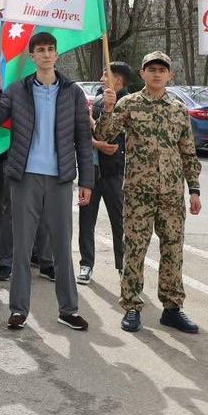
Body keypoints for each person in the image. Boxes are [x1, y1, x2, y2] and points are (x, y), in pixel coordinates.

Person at [0, 32, 93, 332]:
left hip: (60, 178)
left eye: (50, 49)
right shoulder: (17, 90)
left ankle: (68, 309)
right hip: (25, 177)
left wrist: (86, 180)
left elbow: (83, 139)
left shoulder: (73, 92)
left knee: (61, 246)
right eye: (40, 50)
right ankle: (18, 310)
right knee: (22, 246)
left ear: (56, 55)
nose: (46, 54)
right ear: (32, 56)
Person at [97, 51, 202, 334]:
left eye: (161, 70)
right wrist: (107, 108)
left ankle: (172, 308)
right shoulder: (129, 104)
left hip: (171, 193)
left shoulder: (178, 109)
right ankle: (132, 306)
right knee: (135, 249)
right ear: (142, 74)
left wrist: (194, 189)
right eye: (151, 69)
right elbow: (104, 135)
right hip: (138, 192)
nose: (157, 74)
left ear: (170, 75)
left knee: (173, 249)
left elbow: (188, 152)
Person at [78, 61, 130, 285]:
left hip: (115, 172)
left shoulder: (130, 103)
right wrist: (96, 143)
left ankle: (123, 266)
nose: (101, 79)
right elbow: (86, 134)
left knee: (120, 222)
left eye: (105, 75)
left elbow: (122, 138)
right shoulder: (98, 101)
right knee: (86, 220)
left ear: (117, 80)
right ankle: (86, 264)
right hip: (91, 171)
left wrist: (113, 144)